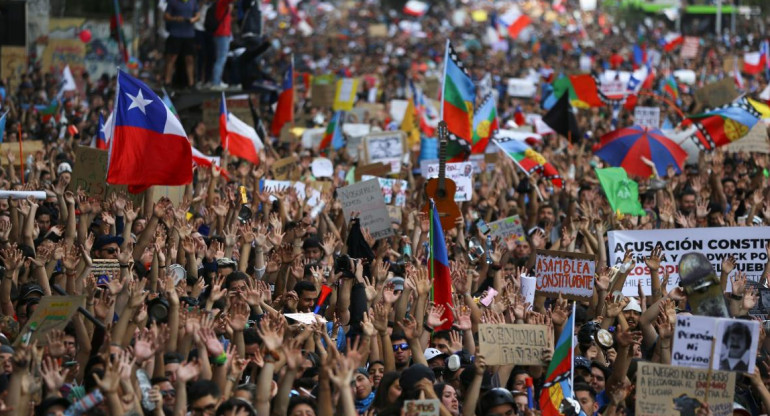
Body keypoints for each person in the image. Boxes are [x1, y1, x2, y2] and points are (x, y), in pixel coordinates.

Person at [164, 0, 200, 88]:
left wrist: (193, 19)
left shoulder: (193, 2)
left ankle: (191, 83)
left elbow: (198, 15)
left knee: (190, 58)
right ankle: (167, 81)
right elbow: (166, 16)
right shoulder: (173, 2)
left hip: (189, 34)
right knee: (172, 58)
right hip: (175, 33)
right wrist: (175, 18)